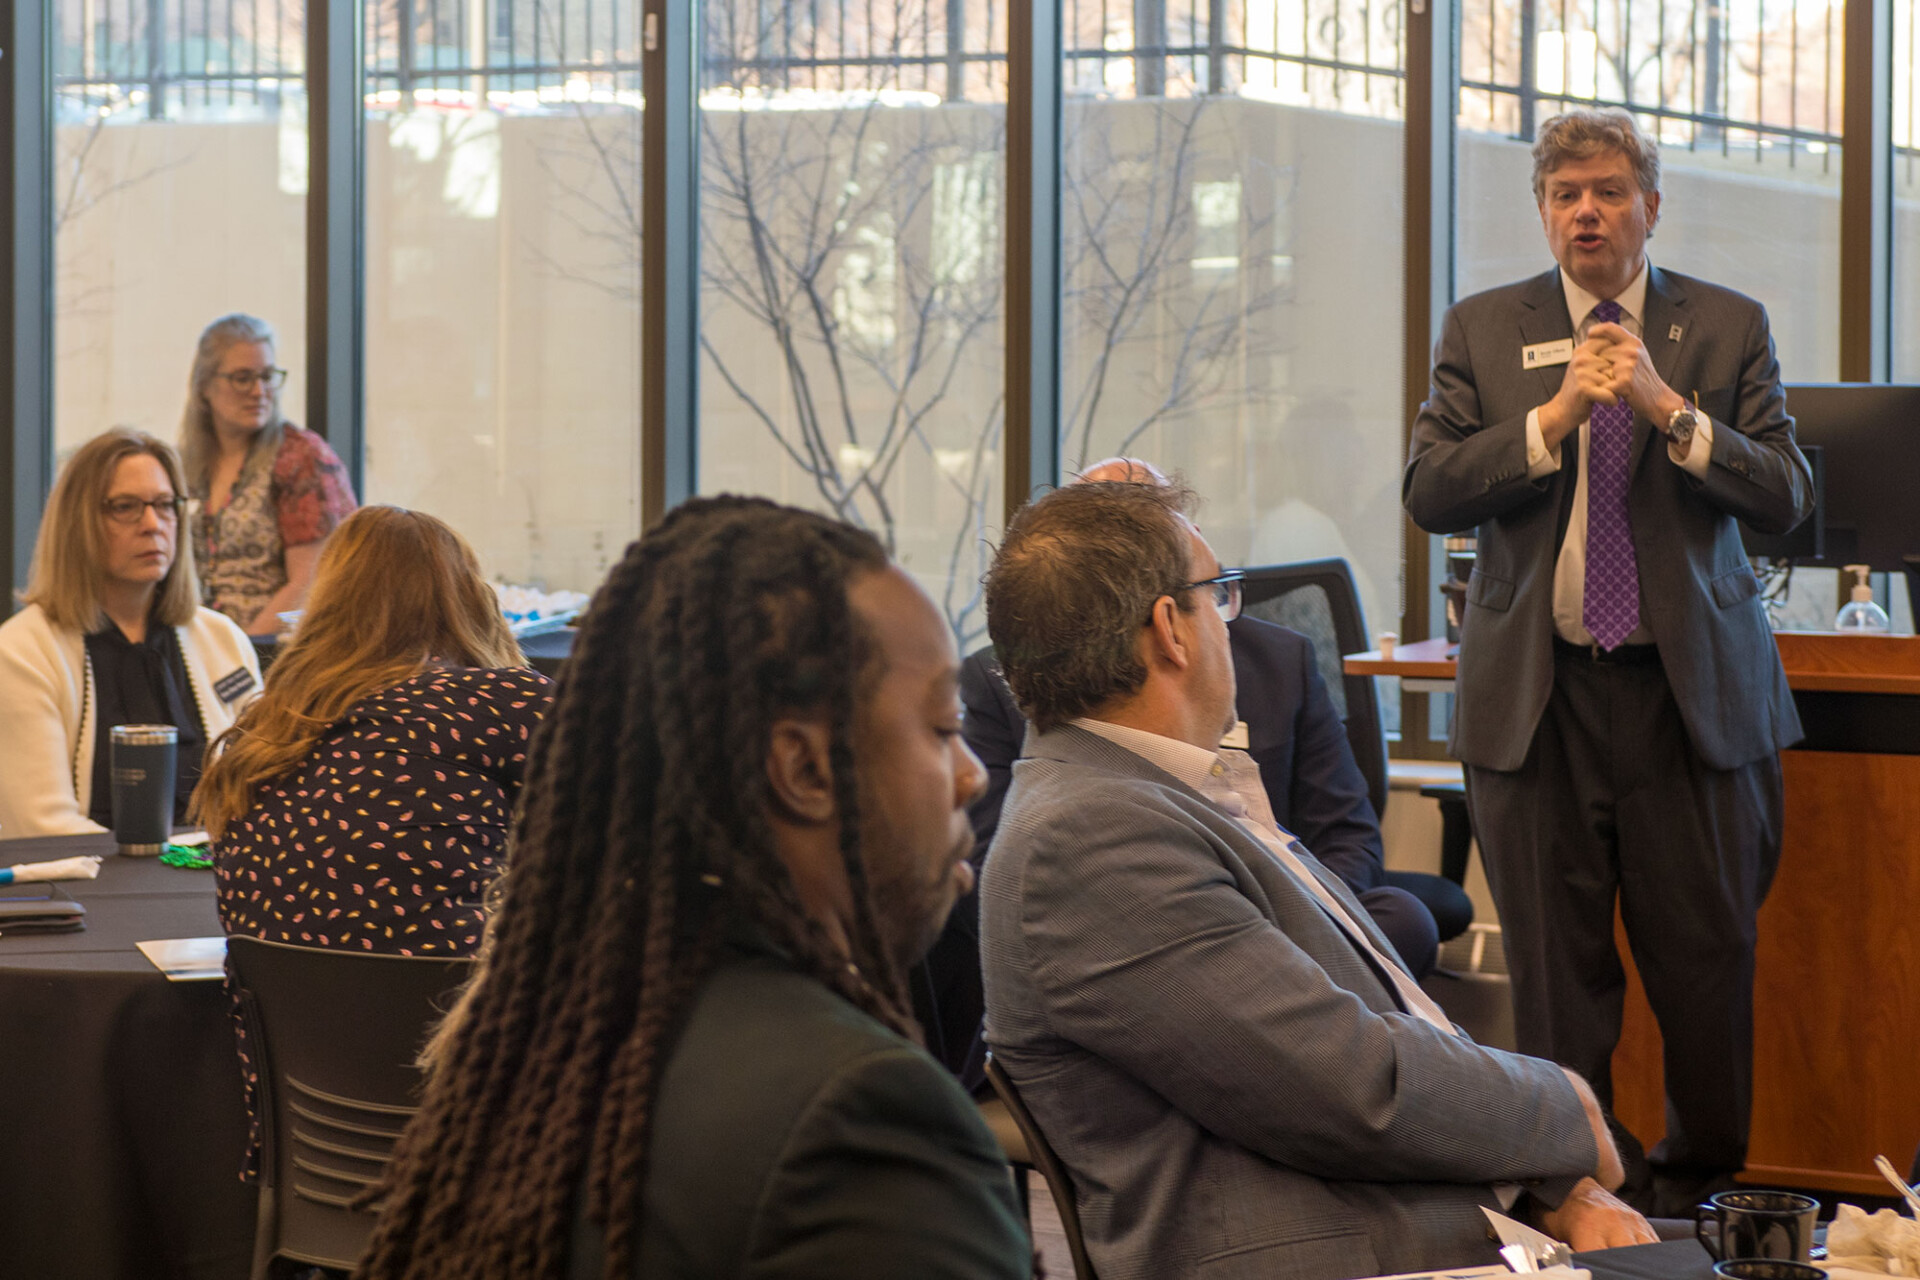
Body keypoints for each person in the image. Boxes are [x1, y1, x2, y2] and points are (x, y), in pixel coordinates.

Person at [980, 480, 1655, 1280]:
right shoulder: (1089, 836)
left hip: (1420, 1220)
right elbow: (1354, 1088)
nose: (1237, 620)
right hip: (1344, 1253)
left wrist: (1553, 1185)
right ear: (1171, 630)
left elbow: (1397, 1023)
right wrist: (1569, 1110)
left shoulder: (1162, 795)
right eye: (1218, 593)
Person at [358, 496, 1031, 1280]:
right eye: (944, 728)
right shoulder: (864, 1115)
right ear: (806, 770)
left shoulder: (541, 1042)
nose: (973, 772)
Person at [1402, 108, 1813, 1215]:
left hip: (1692, 703)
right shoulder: (1485, 328)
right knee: (1559, 983)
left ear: (1651, 205)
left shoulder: (1726, 327)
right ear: (1543, 211)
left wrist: (1667, 411)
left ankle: (1696, 1199)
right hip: (1542, 701)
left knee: (1707, 965)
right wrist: (1551, 417)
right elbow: (1430, 489)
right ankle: (1589, 1192)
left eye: (1609, 190)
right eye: (1566, 192)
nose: (1587, 209)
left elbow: (1785, 496)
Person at [198, 505, 553, 957]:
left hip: (295, 1023)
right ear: (471, 597)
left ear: (325, 605)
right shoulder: (506, 700)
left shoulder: (264, 731)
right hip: (464, 1017)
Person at [0, 429, 260, 840]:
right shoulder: (19, 654)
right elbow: (41, 828)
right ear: (78, 524)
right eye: (125, 508)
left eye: (164, 505)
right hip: (86, 893)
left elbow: (260, 795)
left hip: (213, 884)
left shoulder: (223, 640)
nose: (153, 525)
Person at [179, 313, 357, 636]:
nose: (259, 391)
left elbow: (311, 581)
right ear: (205, 386)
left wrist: (241, 652)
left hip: (274, 654)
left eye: (267, 376)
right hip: (199, 648)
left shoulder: (302, 458)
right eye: (243, 378)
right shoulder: (185, 464)